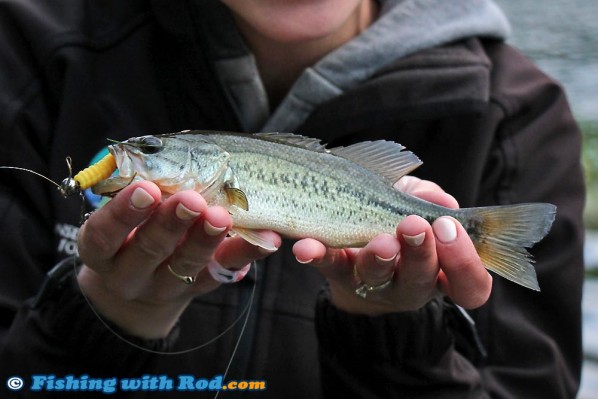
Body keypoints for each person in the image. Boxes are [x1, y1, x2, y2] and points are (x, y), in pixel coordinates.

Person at [0, 0, 585, 397]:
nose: (141, 155)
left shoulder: (519, 119)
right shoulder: (31, 52)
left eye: (153, 150)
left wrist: (391, 339)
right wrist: (106, 319)